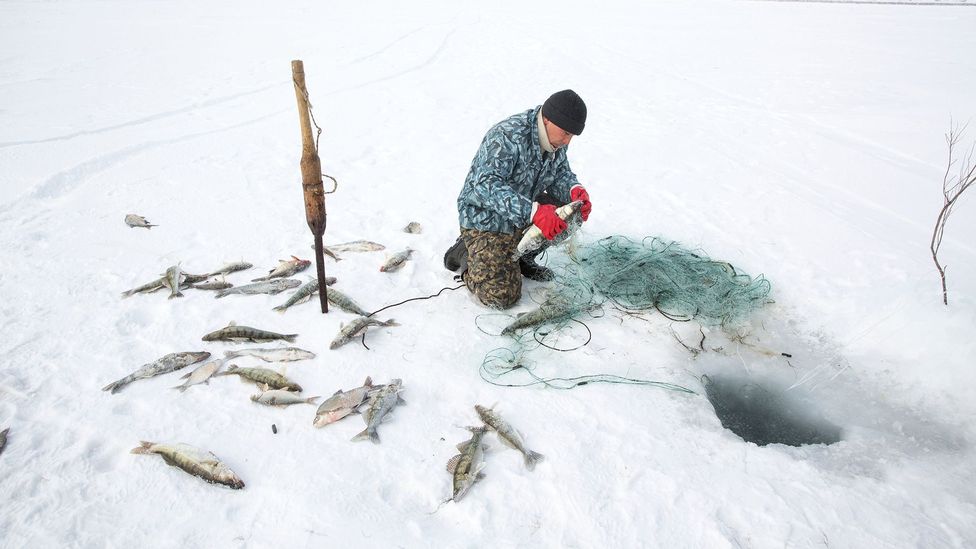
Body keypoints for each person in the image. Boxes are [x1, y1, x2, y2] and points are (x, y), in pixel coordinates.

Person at [443, 89, 593, 309]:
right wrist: (533, 212)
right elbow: (485, 185)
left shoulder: (555, 139)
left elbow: (560, 172)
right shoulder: (506, 136)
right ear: (547, 119)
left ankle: (521, 256)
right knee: (502, 297)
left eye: (572, 136)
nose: (567, 141)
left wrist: (574, 190)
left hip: (523, 212)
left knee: (571, 213)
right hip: (486, 218)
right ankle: (467, 255)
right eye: (565, 133)